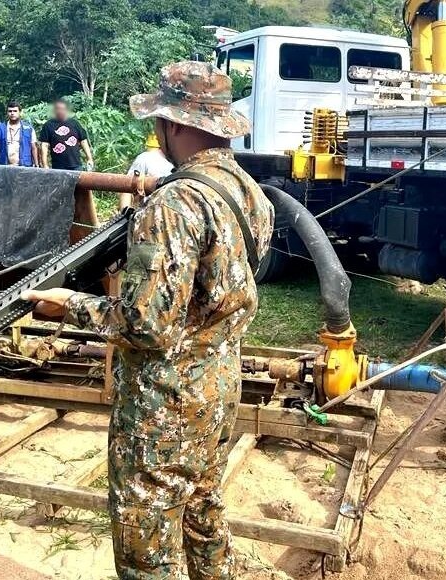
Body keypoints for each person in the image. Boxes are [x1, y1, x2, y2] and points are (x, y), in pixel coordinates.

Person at [21, 61, 274, 580]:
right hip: (218, 387)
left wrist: (66, 303)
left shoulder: (175, 203)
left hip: (165, 401)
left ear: (175, 125)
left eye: (159, 119)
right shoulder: (249, 193)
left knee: (147, 541)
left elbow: (148, 326)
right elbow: (213, 292)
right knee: (203, 512)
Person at [120, 132, 174, 209]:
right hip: (147, 212)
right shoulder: (145, 158)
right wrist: (125, 214)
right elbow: (126, 189)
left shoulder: (183, 162)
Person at [39, 99, 95, 171]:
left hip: (76, 165)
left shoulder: (75, 123)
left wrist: (89, 159)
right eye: (58, 109)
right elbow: (44, 145)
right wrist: (45, 165)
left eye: (63, 109)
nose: (61, 111)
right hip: (58, 166)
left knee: (78, 182)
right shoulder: (48, 125)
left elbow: (83, 141)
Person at [0, 102, 39, 167]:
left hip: (24, 167)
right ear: (7, 113)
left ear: (20, 112)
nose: (12, 113)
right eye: (10, 111)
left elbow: (34, 147)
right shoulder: (0, 128)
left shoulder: (29, 129)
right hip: (4, 167)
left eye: (15, 111)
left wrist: (37, 164)